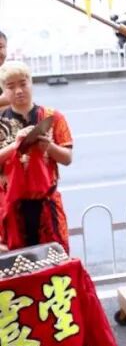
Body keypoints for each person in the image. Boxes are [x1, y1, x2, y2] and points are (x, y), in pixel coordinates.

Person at [0, 62, 73, 249]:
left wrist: (49, 147)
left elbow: (67, 158)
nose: (18, 91)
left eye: (23, 84)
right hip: (12, 204)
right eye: (11, 86)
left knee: (55, 258)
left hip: (47, 202)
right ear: (4, 90)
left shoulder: (53, 117)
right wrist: (14, 146)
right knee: (18, 261)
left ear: (31, 83)